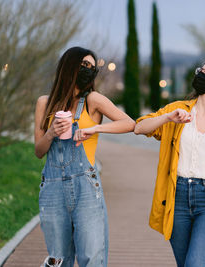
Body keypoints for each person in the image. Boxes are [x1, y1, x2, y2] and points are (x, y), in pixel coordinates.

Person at [134, 58, 205, 266]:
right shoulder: (178, 110)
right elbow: (140, 127)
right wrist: (168, 118)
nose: (201, 74)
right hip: (176, 196)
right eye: (200, 70)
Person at [34, 46, 135, 267]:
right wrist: (52, 132)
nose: (89, 70)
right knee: (58, 259)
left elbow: (130, 123)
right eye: (84, 65)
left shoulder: (93, 100)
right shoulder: (45, 103)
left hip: (86, 188)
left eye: (92, 67)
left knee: (92, 255)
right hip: (52, 190)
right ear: (69, 67)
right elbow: (39, 151)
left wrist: (95, 129)